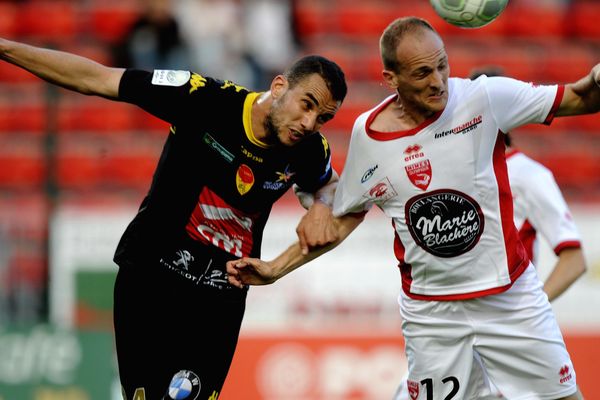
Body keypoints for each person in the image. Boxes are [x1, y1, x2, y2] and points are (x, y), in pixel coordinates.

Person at [227, 16, 600, 400]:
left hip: (509, 300)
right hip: (432, 316)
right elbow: (344, 217)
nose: (437, 81)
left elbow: (581, 96)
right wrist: (275, 268)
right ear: (391, 79)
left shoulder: (483, 98)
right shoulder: (369, 136)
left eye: (442, 65)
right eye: (422, 73)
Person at [0, 37, 348, 399]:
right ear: (279, 86)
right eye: (307, 105)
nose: (310, 123)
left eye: (323, 117)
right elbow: (100, 79)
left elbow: (327, 185)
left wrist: (322, 204)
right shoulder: (204, 99)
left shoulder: (310, 149)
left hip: (218, 299)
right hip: (151, 277)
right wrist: (5, 49)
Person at [393, 66, 589, 399]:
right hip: (451, 330)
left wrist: (520, 312)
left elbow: (574, 259)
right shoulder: (453, 171)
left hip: (503, 327)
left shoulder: (529, 176)